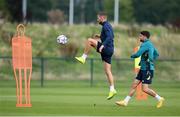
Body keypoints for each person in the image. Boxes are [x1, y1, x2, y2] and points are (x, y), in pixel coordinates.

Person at [116, 31, 165, 108]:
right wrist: (150, 59)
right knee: (134, 85)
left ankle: (160, 99)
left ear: (145, 37)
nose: (139, 37)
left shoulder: (145, 45)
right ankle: (125, 101)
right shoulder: (150, 44)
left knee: (145, 89)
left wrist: (132, 56)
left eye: (141, 36)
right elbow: (156, 54)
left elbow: (138, 54)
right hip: (143, 68)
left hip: (147, 69)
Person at [75, 12, 117, 100]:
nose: (97, 19)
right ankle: (112, 89)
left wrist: (103, 45)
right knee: (107, 71)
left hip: (107, 48)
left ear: (102, 18)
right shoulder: (106, 26)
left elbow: (110, 37)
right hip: (110, 50)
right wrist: (100, 36)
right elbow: (109, 36)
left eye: (98, 18)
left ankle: (83, 58)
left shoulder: (106, 25)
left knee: (89, 40)